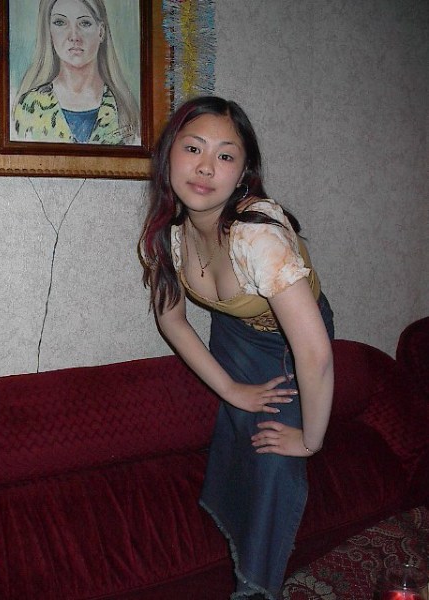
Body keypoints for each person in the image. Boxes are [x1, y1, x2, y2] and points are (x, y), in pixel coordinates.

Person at [139, 96, 334, 600]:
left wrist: (310, 441)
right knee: (237, 432)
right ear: (168, 154)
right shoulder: (166, 231)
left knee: (274, 459)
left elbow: (315, 355)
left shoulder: (257, 237)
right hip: (234, 329)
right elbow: (171, 319)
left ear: (244, 172)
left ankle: (255, 589)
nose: (206, 167)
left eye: (225, 155)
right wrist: (229, 389)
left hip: (291, 342)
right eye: (193, 148)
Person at [12, 0, 140, 144]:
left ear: (101, 32)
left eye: (85, 23)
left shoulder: (124, 109)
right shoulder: (29, 107)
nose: (74, 36)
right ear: (49, 32)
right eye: (60, 22)